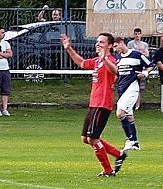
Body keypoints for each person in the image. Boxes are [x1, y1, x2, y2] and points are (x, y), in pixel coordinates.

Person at [61, 31, 128, 177]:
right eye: (97, 41)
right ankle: (118, 154)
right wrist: (69, 48)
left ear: (110, 46)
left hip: (102, 104)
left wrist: (105, 59)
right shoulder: (97, 61)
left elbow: (115, 71)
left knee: (93, 138)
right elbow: (81, 62)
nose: (98, 44)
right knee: (85, 139)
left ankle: (108, 171)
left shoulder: (110, 59)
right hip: (94, 104)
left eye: (102, 42)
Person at [113, 37, 153, 152]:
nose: (115, 50)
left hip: (132, 88)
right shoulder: (118, 58)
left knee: (120, 113)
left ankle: (129, 140)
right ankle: (135, 143)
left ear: (121, 43)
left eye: (116, 46)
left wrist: (145, 73)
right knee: (129, 116)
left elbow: (151, 64)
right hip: (122, 90)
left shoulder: (136, 55)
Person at [126, 28, 150, 109]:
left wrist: (139, 53)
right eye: (136, 34)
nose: (137, 35)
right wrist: (140, 53)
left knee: (140, 87)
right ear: (134, 35)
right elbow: (130, 53)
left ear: (141, 34)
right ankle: (130, 103)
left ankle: (137, 104)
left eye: (138, 34)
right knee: (131, 85)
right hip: (133, 67)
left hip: (141, 67)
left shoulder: (144, 44)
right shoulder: (130, 44)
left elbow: (147, 55)